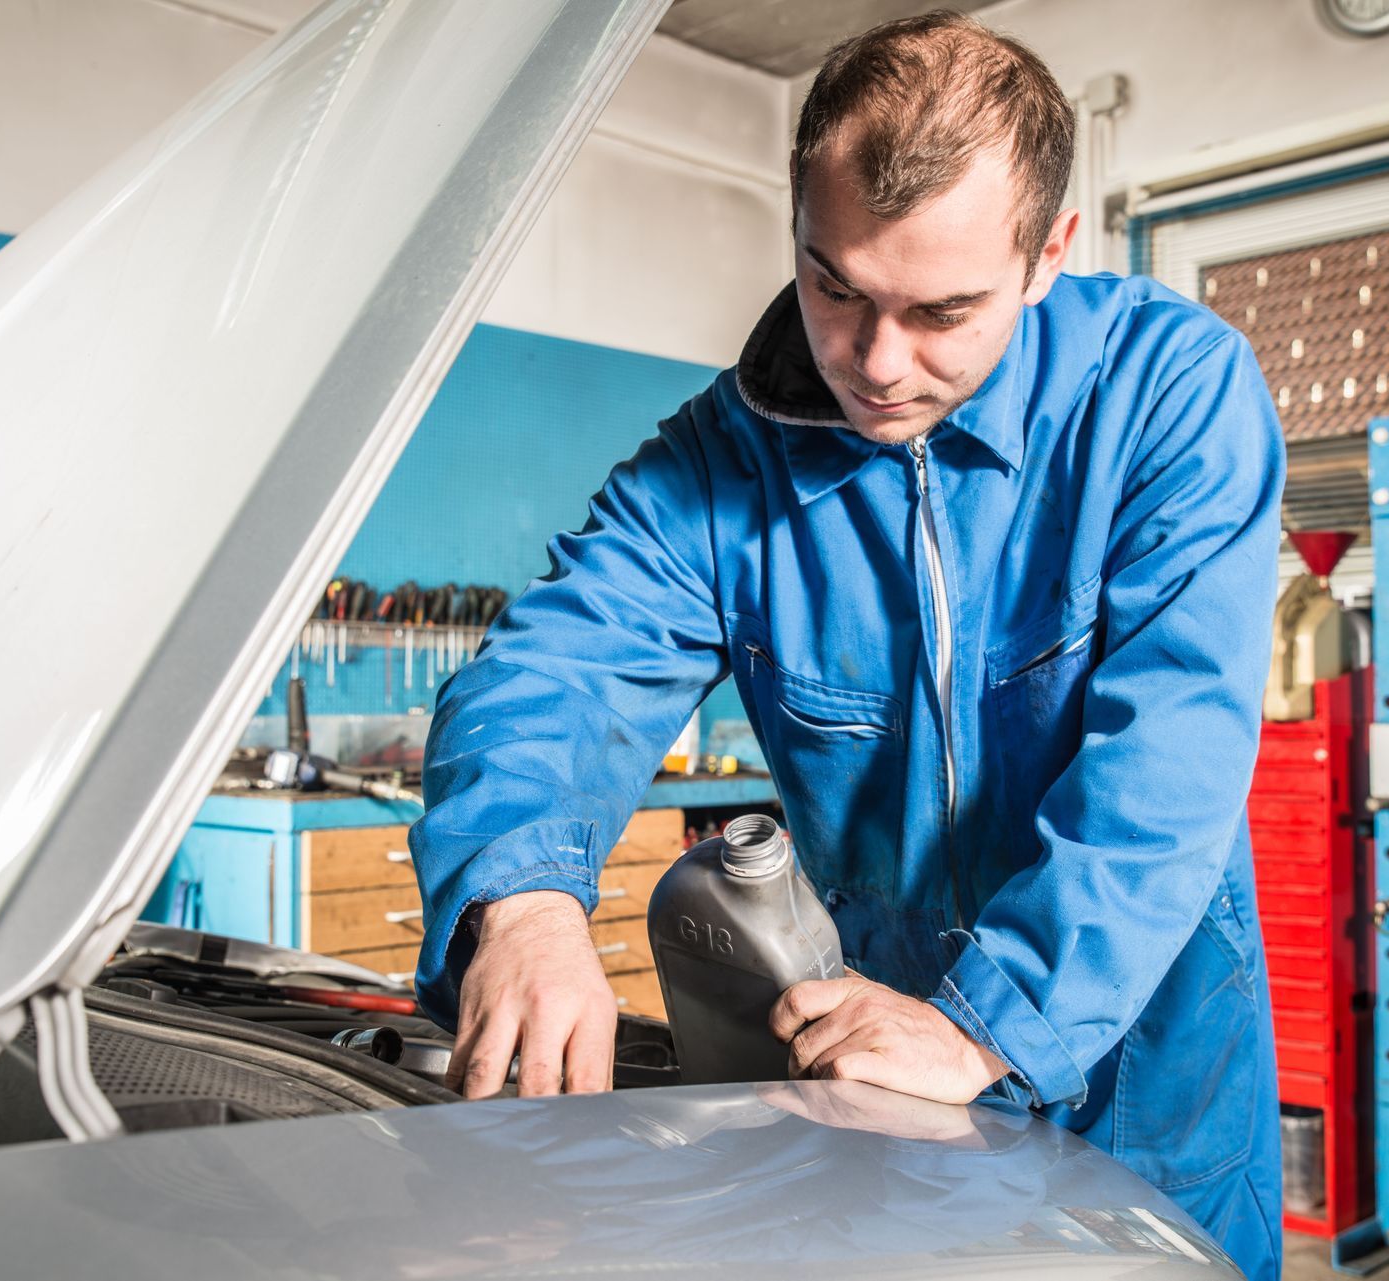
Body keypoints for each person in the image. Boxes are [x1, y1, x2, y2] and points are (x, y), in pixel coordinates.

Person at [410, 10, 1285, 1277]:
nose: (875, 364)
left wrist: (989, 1026)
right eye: (837, 289)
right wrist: (523, 900)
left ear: (1049, 255)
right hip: (876, 1095)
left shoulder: (1169, 396)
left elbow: (1173, 757)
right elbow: (558, 669)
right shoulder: (726, 461)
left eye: (942, 311)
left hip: (1147, 1085)